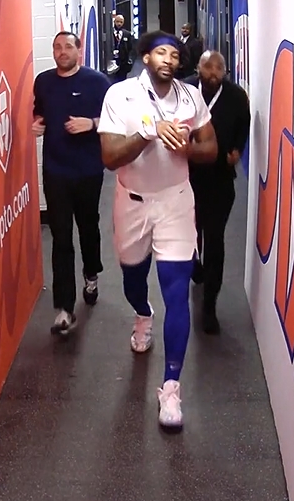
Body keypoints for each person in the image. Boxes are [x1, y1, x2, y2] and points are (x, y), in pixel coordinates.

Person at [96, 31, 218, 428]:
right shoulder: (120, 95)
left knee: (177, 292)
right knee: (133, 279)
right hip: (132, 201)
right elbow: (110, 157)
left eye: (174, 54)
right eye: (160, 53)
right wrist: (147, 134)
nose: (169, 59)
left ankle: (170, 388)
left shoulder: (190, 97)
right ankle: (142, 313)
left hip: (176, 201)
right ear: (146, 58)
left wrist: (187, 149)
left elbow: (211, 148)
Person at [32, 31, 112, 335]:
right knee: (61, 237)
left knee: (88, 228)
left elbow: (118, 121)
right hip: (56, 171)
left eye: (68, 46)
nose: (61, 51)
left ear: (79, 51)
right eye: (57, 47)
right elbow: (39, 111)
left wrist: (91, 123)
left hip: (88, 171)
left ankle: (91, 275)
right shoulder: (43, 81)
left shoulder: (98, 83)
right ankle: (64, 309)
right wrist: (37, 123)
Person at [185, 51, 251, 334]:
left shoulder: (236, 97)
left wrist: (236, 150)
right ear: (198, 68)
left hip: (220, 180)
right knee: (188, 234)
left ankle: (209, 305)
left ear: (225, 71)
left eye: (218, 68)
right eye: (208, 66)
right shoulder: (185, 91)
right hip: (186, 177)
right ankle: (193, 263)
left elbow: (244, 125)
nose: (213, 72)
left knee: (215, 240)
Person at [110, 14, 134, 83]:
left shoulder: (127, 34)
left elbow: (130, 47)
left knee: (122, 80)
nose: (119, 24)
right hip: (112, 61)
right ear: (114, 22)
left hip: (123, 62)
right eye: (117, 21)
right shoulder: (109, 33)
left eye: (121, 22)